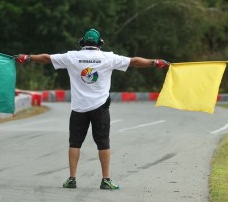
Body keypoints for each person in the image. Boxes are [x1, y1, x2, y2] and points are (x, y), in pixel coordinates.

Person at [15, 28, 169, 190]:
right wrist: (155, 62)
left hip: (78, 107)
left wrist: (27, 58)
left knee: (75, 143)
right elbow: (134, 61)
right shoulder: (108, 57)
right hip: (100, 107)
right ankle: (106, 179)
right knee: (103, 143)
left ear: (82, 43)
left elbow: (46, 58)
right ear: (99, 43)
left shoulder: (71, 57)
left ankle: (72, 179)